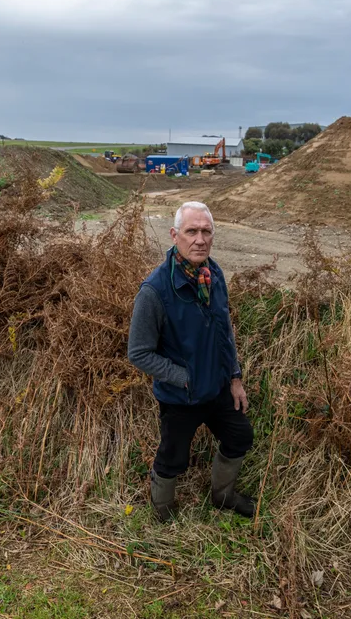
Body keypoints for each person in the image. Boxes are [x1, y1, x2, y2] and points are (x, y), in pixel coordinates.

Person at [127, 201, 255, 522]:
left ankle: (223, 496)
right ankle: (163, 512)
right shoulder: (154, 291)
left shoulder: (214, 274)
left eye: (206, 231)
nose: (199, 239)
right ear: (174, 235)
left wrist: (235, 378)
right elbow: (138, 353)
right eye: (191, 231)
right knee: (172, 458)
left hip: (218, 387)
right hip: (180, 396)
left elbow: (224, 328)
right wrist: (184, 377)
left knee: (240, 436)